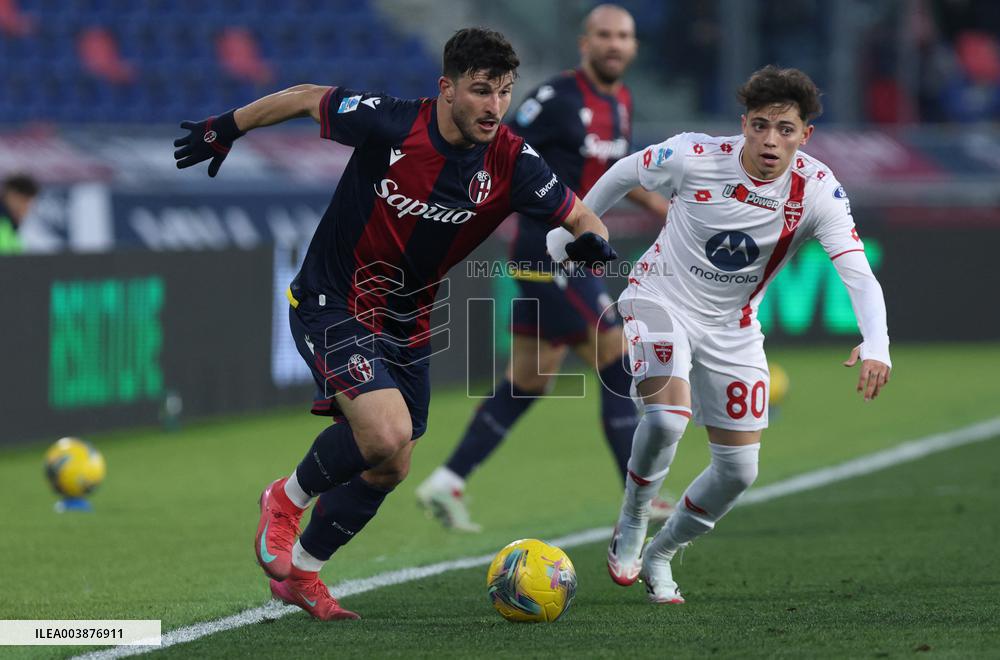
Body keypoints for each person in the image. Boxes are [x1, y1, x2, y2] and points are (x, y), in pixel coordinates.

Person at [173, 27, 616, 621]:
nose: (494, 106)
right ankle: (284, 499)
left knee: (392, 462)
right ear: (447, 88)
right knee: (384, 432)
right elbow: (307, 96)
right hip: (331, 300)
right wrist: (225, 128)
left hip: (407, 323)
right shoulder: (391, 122)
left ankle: (303, 573)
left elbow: (585, 216)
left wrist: (591, 243)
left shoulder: (511, 159)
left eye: (504, 92)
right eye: (481, 90)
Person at [557, 65, 892, 603]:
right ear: (744, 124)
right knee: (667, 418)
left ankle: (663, 554)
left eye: (785, 130)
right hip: (657, 298)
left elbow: (856, 270)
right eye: (760, 125)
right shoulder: (694, 155)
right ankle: (634, 520)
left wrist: (877, 342)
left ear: (805, 136)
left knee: (739, 470)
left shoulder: (818, 191)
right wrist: (573, 226)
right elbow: (623, 172)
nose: (770, 140)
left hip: (733, 327)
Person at [416, 4, 671, 532]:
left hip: (578, 257)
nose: (614, 44)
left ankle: (448, 479)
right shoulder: (556, 99)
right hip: (545, 252)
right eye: (604, 35)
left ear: (635, 46)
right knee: (616, 353)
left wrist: (667, 212)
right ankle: (639, 498)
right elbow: (498, 148)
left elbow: (610, 175)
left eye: (623, 36)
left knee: (531, 376)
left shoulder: (619, 101)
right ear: (585, 42)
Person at [0, 174, 39, 255]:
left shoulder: (11, 226)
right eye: (25, 201)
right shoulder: (3, 224)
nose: (27, 208)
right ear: (12, 196)